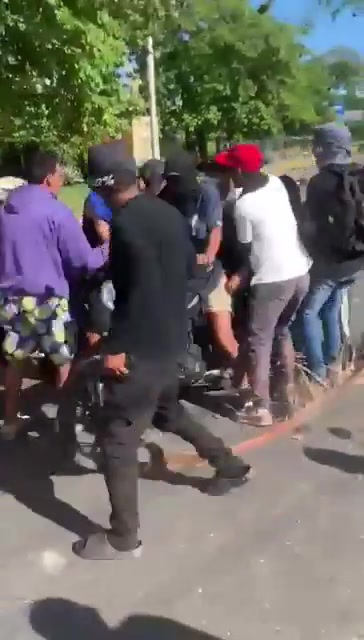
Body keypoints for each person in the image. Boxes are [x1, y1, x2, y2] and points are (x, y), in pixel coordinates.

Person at [72, 140, 251, 561]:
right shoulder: (166, 213)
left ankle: (122, 536)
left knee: (117, 438)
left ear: (100, 186)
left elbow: (137, 296)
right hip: (173, 340)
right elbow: (185, 271)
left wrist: (117, 351)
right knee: (168, 412)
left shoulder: (127, 227)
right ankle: (227, 463)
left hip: (142, 348)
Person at [0, 150, 104, 440]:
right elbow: (84, 260)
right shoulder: (55, 211)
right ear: (49, 177)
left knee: (15, 360)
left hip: (10, 298)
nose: (62, 181)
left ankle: (9, 421)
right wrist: (108, 248)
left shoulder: (7, 208)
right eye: (60, 176)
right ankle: (66, 426)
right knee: (62, 360)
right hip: (47, 299)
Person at [214, 144, 311, 426]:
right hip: (300, 271)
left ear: (240, 171)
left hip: (272, 279)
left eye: (230, 168)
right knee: (281, 330)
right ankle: (289, 392)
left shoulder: (243, 205)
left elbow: (246, 248)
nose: (228, 173)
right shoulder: (278, 184)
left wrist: (240, 276)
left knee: (259, 340)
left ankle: (261, 407)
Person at [159, 150, 238, 365]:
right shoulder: (165, 198)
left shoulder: (207, 192)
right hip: (181, 274)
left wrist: (209, 255)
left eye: (178, 181)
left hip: (210, 273)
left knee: (222, 333)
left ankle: (245, 378)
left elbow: (215, 231)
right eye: (171, 181)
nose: (175, 186)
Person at [301, 123, 364, 383]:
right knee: (332, 306)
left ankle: (317, 372)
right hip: (357, 258)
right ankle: (334, 363)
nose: (315, 153)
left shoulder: (319, 182)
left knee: (308, 312)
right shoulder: (361, 173)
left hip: (331, 261)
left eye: (318, 146)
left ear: (327, 148)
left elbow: (310, 225)